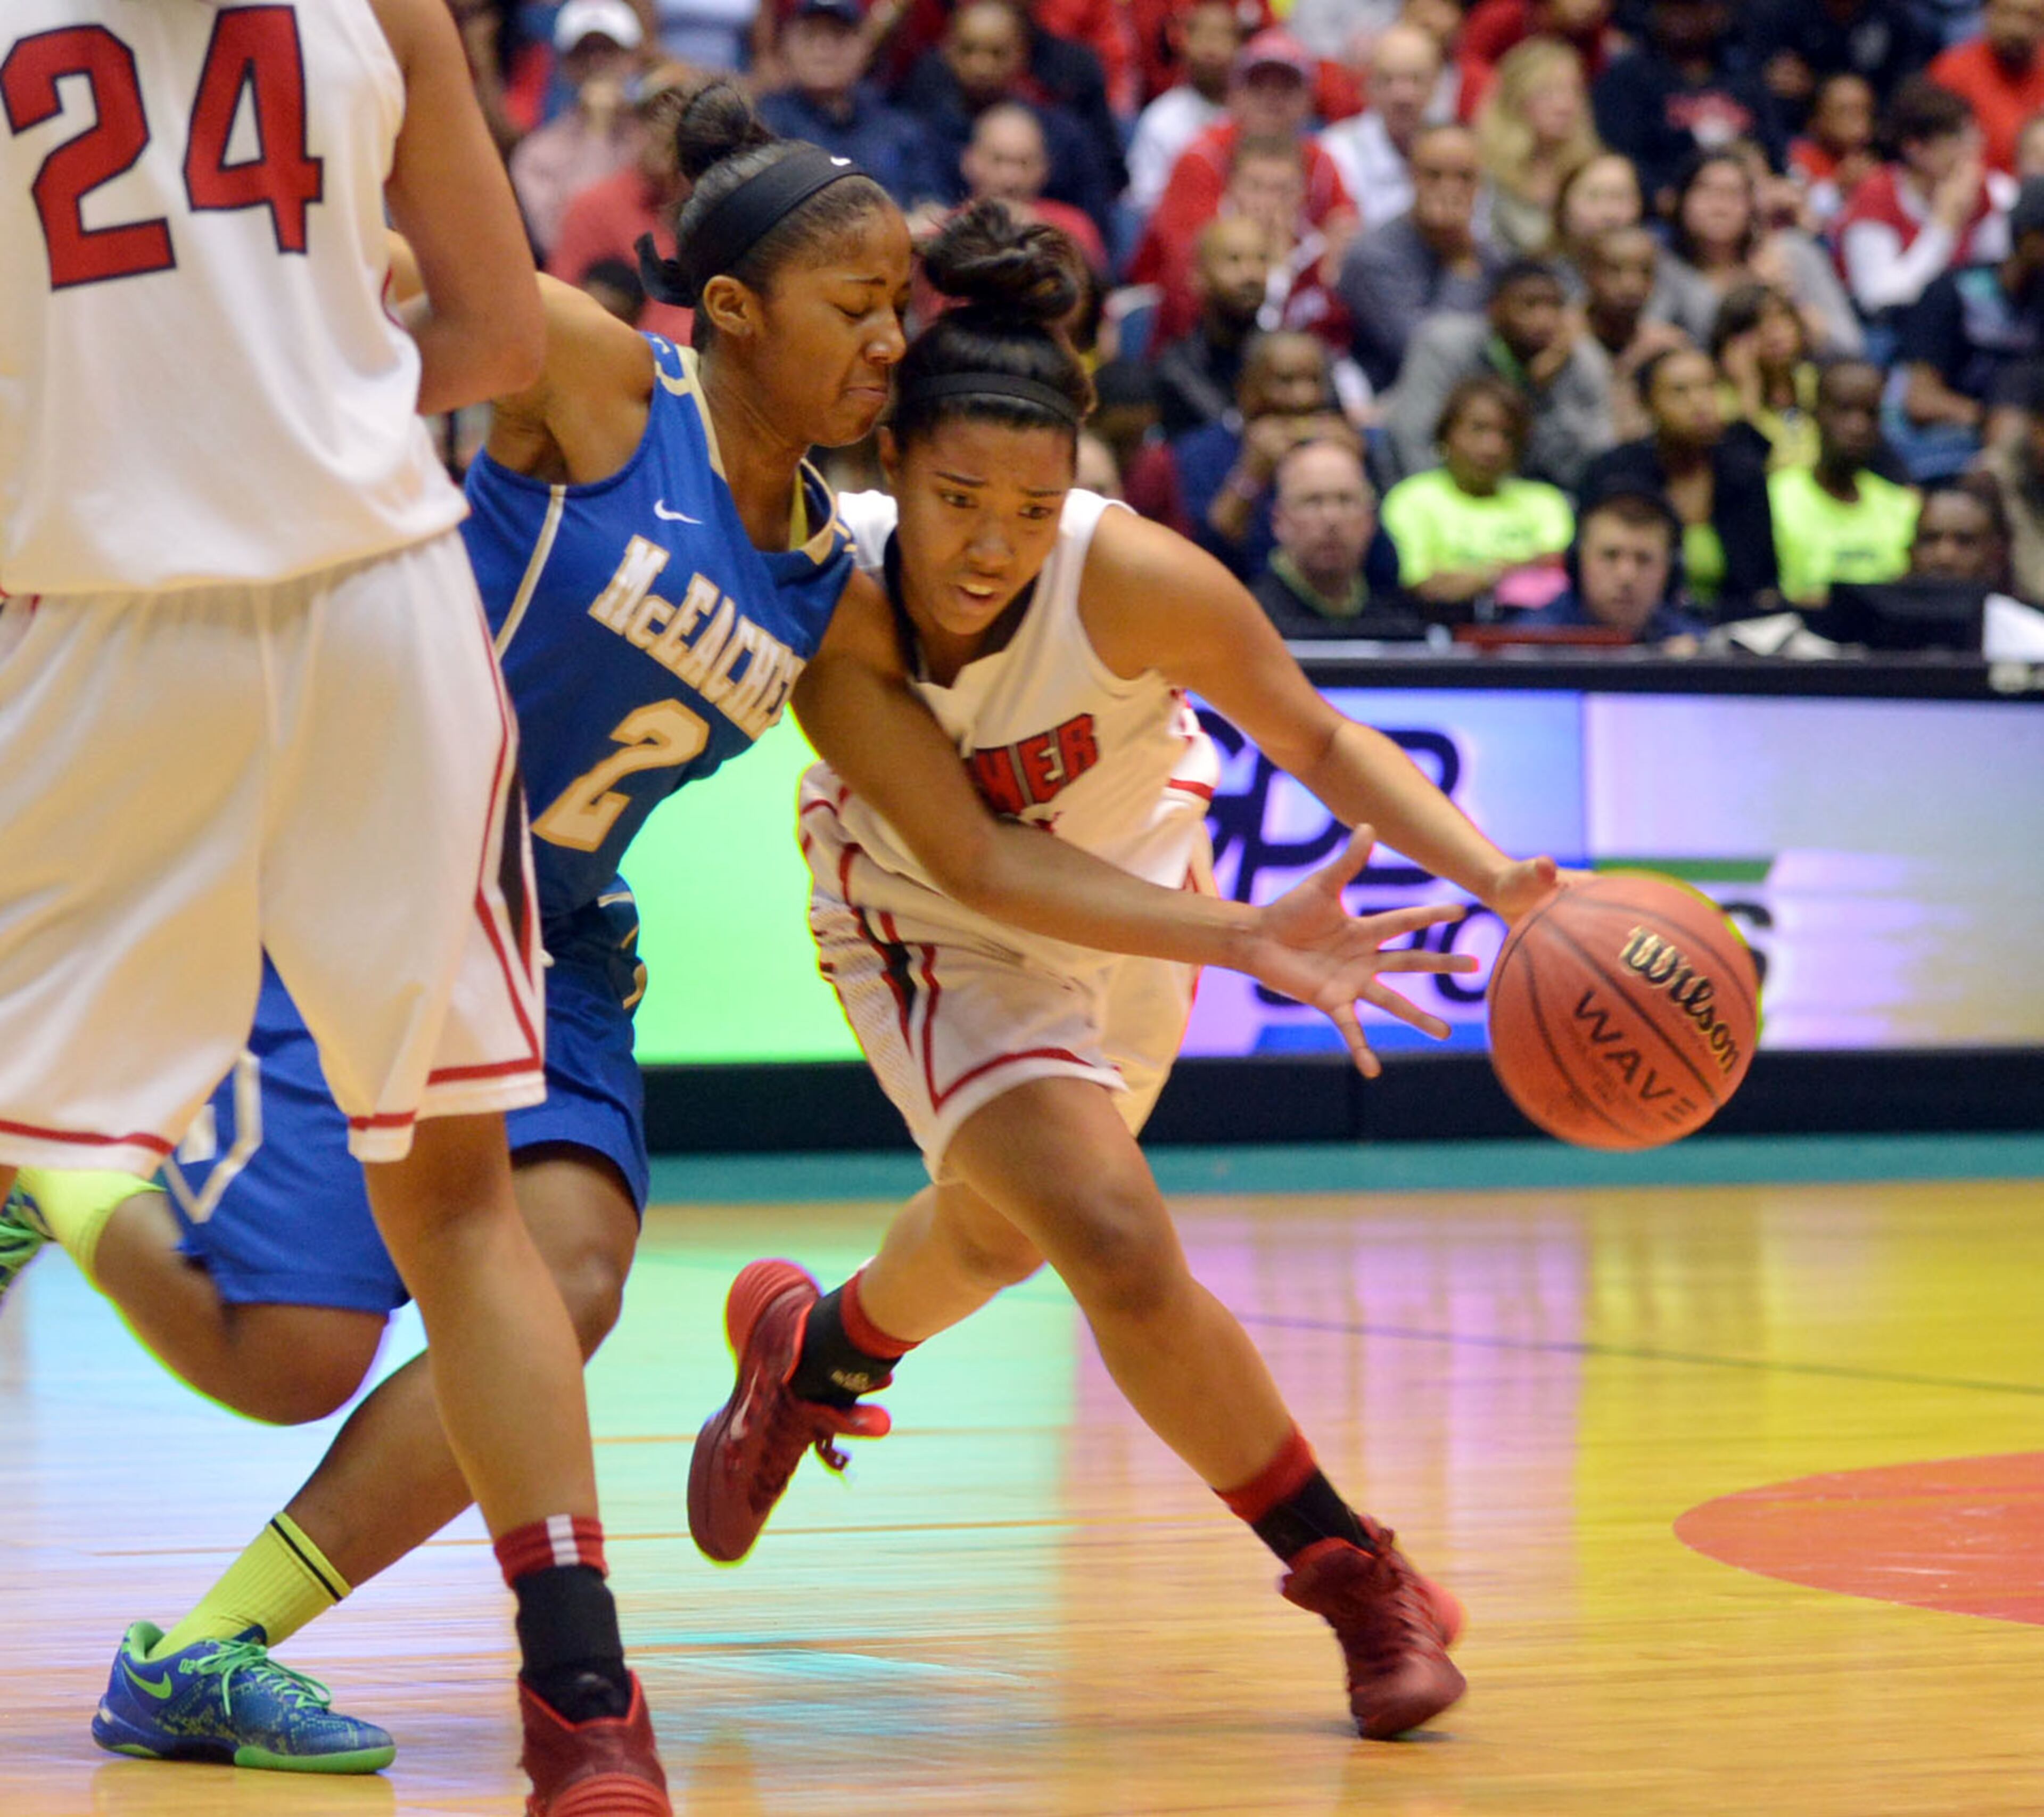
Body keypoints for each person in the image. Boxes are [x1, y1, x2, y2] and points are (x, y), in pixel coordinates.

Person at [2, 109, 1468, 1779]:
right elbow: (364, 274)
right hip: (345, 881)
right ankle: (55, 1168)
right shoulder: (597, 382)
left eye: (898, 307)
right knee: (290, 1359)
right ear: (730, 311)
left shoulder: (824, 588)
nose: (889, 340)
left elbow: (971, 848)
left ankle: (207, 1651)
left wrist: (1249, 933)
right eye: (857, 306)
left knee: (571, 1285)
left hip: (552, 941)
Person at [686, 202, 1572, 1745]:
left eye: (1033, 508)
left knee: (1001, 1234)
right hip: (930, 921)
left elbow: (1321, 737)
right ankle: (1354, 1573)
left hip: (1139, 914)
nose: (994, 543)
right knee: (1110, 1237)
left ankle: (813, 1349)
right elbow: (977, 862)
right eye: (960, 499)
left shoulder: (1137, 577)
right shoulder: (840, 608)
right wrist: (1247, 938)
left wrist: (1498, 880)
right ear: (892, 464)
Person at [0, 0, 678, 1810]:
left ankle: (54, 1169)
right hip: (381, 622)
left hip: (102, 612)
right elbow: (493, 336)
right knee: (458, 1207)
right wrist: (310, 359)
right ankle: (588, 1714)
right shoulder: (380, 7)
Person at [1130, 30, 1357, 297]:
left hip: (1297, 305)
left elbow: (1343, 246)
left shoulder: (1322, 162)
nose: (1272, 98)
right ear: (1234, 95)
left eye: (1286, 87)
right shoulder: (1201, 157)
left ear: (1309, 100)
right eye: (1259, 85)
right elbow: (1186, 263)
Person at [1578, 345, 1781, 619]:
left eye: (1709, 387)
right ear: (1647, 403)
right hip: (1637, 625)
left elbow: (1762, 583)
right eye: (1680, 391)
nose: (1700, 403)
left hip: (1733, 627)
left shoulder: (1743, 474)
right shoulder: (1615, 473)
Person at [1386, 259, 1613, 489]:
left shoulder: (1580, 359)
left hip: (1537, 497)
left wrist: (1539, 393)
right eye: (1530, 305)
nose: (1544, 319)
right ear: (1494, 308)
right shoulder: (1445, 346)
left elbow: (1591, 463)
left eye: (1555, 306)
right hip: (1440, 491)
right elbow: (1413, 439)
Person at [1892, 174, 2044, 476]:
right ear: (2027, 235)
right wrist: (1994, 418)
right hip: (1948, 446)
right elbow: (1920, 401)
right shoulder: (1955, 291)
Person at [1380, 375, 1576, 605]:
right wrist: (1515, 570)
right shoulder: (1411, 499)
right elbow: (1424, 586)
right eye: (1478, 429)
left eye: (1507, 434)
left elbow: (1558, 575)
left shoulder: (1546, 502)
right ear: (1445, 435)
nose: (1493, 447)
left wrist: (1470, 577)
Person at [1338, 122, 1502, 393]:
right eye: (1434, 175)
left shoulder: (1490, 254)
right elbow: (1423, 353)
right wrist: (1461, 264)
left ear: (1480, 185)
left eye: (1464, 177)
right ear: (1410, 176)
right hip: (1392, 399)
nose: (1449, 188)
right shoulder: (1373, 254)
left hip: (1477, 397)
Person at [1658, 149, 1864, 357]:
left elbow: (1849, 344)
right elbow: (1652, 339)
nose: (1719, 206)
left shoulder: (1792, 252)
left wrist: (1787, 303)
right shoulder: (1666, 268)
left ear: (1753, 206)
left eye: (1733, 194)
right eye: (1706, 191)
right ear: (1681, 200)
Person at [1833, 78, 2011, 318]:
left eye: (1973, 138)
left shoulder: (1980, 192)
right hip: (1887, 326)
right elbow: (1879, 298)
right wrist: (1944, 226)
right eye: (1957, 140)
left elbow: (1993, 277)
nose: (1970, 152)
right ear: (1915, 147)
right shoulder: (1876, 196)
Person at [1590, 0, 1787, 210]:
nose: (1683, 17)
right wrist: (1659, 195)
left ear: (1719, 13)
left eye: (1695, 8)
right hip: (1658, 212)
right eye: (1674, 7)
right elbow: (1620, 154)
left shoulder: (1745, 80)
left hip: (1744, 205)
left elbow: (1774, 154)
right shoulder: (1628, 77)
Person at [756, 0, 949, 209]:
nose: (823, 48)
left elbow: (933, 203)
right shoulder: (763, 125)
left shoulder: (901, 129)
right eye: (810, 35)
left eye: (839, 35)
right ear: (786, 45)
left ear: (864, 46)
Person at [1771, 360, 1922, 604]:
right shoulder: (1774, 497)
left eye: (1870, 413)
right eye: (1844, 410)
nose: (1858, 427)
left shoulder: (1903, 506)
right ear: (1815, 413)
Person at [508, 0, 647, 257]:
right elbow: (557, 239)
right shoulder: (536, 153)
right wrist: (597, 131)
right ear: (565, 65)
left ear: (633, 59)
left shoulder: (652, 139)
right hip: (579, 275)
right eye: (584, 51)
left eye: (609, 50)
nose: (597, 61)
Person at [1252, 440, 1411, 635]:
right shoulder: (1250, 620)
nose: (1332, 518)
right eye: (1312, 501)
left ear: (1370, 519)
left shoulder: (1402, 626)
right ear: (1279, 521)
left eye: (1346, 500)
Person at [1514, 488, 1707, 640]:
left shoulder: (1696, 647)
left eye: (1644, 559)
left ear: (1671, 570)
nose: (1627, 576)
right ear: (1577, 562)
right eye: (1610, 556)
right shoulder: (1527, 644)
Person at [1473, 38, 1603, 256]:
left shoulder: (1593, 170)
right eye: (1548, 92)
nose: (1565, 105)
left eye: (1574, 91)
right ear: (1515, 99)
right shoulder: (1482, 169)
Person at [1151, 216, 1275, 439]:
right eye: (1234, 260)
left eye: (1262, 260)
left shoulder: (1294, 358)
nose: (1252, 275)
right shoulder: (1175, 371)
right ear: (1197, 276)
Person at [1317, 21, 1443, 229]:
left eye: (1416, 79)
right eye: (1388, 80)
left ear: (1436, 84)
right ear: (1368, 86)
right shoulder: (1335, 151)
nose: (1402, 95)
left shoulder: (1456, 152)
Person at [1127, 0, 1245, 216]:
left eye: (1222, 35)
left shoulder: (1255, 119)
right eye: (1203, 35)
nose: (1212, 48)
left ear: (1241, 47)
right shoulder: (1161, 119)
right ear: (1184, 43)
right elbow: (1144, 202)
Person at [1576, 224, 1692, 440]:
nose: (1631, 285)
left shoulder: (1667, 348)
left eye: (1645, 272)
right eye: (1615, 270)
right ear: (1588, 272)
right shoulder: (1559, 341)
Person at [1711, 281, 1822, 469]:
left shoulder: (1813, 380)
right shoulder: (1722, 402)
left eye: (1781, 316)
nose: (1773, 333)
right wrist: (1749, 389)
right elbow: (1742, 469)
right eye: (1754, 325)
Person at [1929, 0, 2044, 175]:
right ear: (1986, 13)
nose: (2018, 28)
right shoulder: (1952, 73)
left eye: (2032, 16)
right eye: (2007, 13)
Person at [1790, 72, 1882, 227]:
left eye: (1864, 110)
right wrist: (1838, 189)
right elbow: (1801, 217)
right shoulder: (1798, 162)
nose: (1857, 120)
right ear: (1817, 119)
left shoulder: (1881, 166)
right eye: (1845, 111)